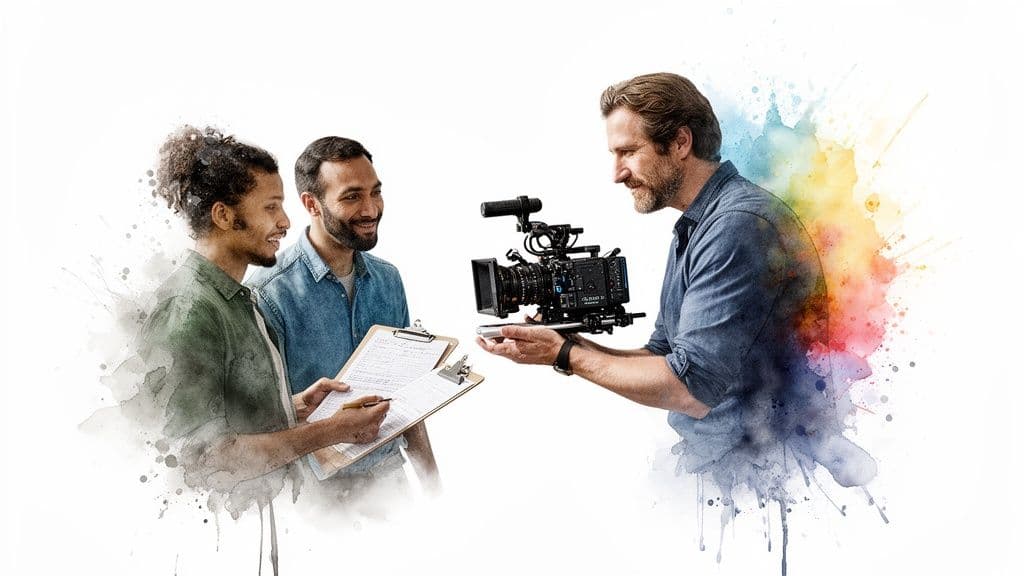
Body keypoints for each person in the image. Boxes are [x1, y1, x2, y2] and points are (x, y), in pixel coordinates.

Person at [478, 73, 875, 494]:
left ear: (681, 143)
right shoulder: (698, 225)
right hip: (729, 462)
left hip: (759, 471)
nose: (617, 174)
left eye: (628, 152)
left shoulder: (736, 225)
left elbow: (688, 388)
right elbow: (664, 356)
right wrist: (563, 344)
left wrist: (566, 355)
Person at [138, 126, 390, 508]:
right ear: (223, 215)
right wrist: (329, 431)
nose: (285, 222)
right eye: (271, 206)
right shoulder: (189, 311)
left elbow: (230, 420)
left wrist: (296, 406)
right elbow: (200, 459)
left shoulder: (237, 300)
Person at [248, 136, 441, 501]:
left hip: (391, 482)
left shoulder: (388, 280)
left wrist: (434, 490)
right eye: (352, 196)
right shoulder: (268, 294)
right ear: (312, 204)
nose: (370, 209)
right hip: (316, 498)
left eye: (375, 192)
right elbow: (256, 423)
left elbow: (408, 398)